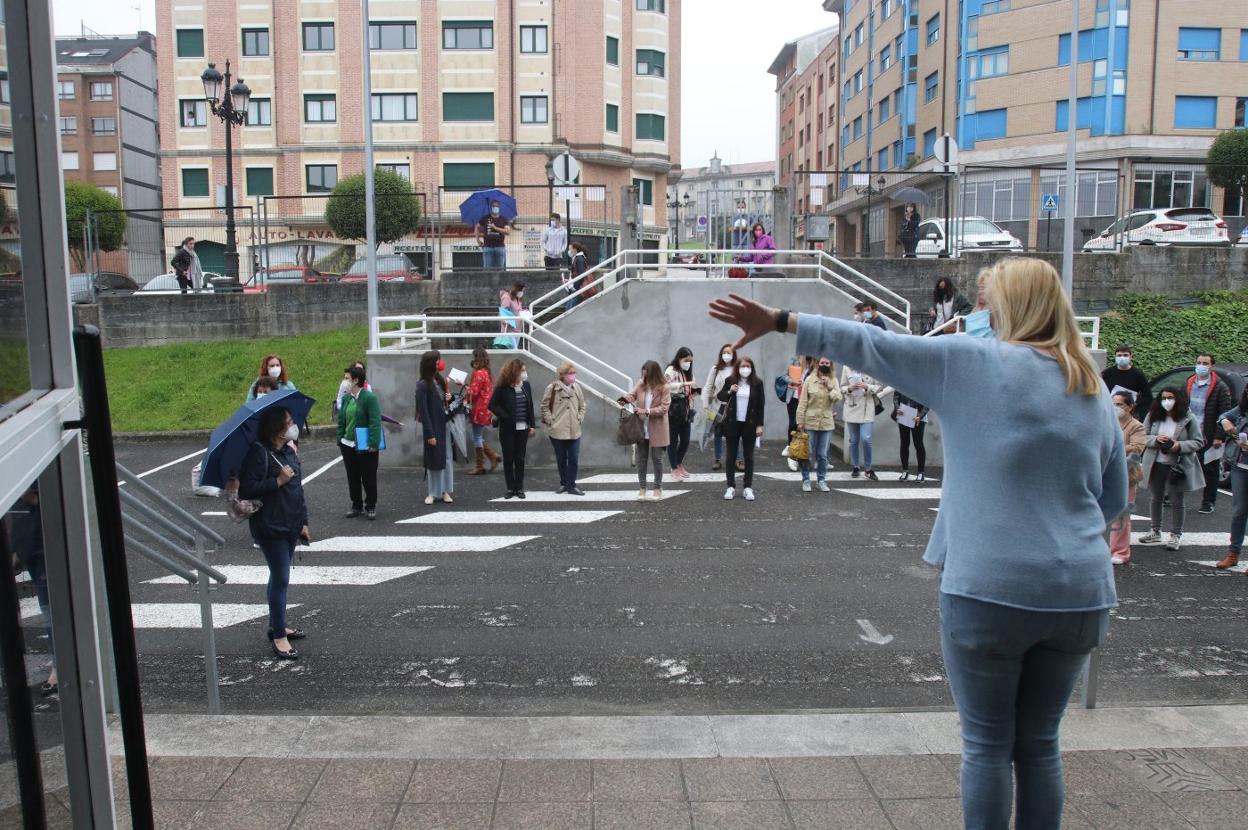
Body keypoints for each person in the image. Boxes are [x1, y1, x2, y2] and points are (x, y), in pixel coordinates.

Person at [709, 256, 1128, 830]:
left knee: (987, 744)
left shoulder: (972, 363)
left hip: (990, 589)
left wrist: (781, 320)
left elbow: (875, 346)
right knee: (1039, 744)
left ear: (1009, 309)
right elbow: (1112, 497)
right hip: (1080, 593)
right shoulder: (1090, 384)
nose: (982, 316)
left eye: (988, 305)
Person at [238, 406, 310, 660]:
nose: (293, 426)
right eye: (288, 422)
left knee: (278, 576)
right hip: (270, 526)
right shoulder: (259, 453)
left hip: (290, 522)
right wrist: (277, 481)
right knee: (281, 578)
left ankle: (276, 625)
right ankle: (279, 635)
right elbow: (247, 489)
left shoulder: (288, 451)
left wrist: (303, 521)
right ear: (277, 428)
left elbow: (298, 488)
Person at [1139, 387, 1205, 551]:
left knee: (1177, 501)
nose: (1166, 401)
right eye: (1163, 398)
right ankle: (1155, 530)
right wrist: (1155, 439)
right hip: (1155, 463)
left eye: (1170, 397)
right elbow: (1142, 436)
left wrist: (1178, 445)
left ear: (1178, 399)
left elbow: (1198, 442)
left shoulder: (1188, 418)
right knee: (1156, 497)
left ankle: (1176, 534)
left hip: (1178, 465)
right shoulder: (1153, 416)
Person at [7, 484, 57, 694]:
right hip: (32, 539)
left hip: (40, 541)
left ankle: (60, 665)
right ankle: (60, 660)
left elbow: (29, 495)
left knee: (50, 607)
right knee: (50, 606)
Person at [336, 365, 382, 520]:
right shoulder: (346, 398)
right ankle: (356, 505)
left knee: (368, 477)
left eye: (347, 379)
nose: (344, 382)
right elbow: (341, 420)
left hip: (365, 445)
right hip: (347, 444)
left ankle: (371, 505)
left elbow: (375, 422)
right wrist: (340, 439)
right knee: (352, 477)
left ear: (356, 380)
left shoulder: (369, 398)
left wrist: (373, 443)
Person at [1187, 354, 1231, 515]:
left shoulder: (1220, 387)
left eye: (1205, 363)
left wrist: (1220, 436)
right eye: (1198, 362)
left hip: (1209, 434)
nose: (1201, 366)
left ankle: (1208, 502)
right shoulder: (1190, 382)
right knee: (1181, 464)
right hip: (1189, 432)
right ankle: (1173, 495)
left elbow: (1225, 413)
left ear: (1211, 366)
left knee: (1210, 469)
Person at [718, 355, 765, 501]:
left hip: (750, 423)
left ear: (752, 368)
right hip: (733, 423)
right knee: (731, 456)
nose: (745, 369)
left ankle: (747, 487)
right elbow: (720, 396)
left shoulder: (757, 383)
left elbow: (761, 405)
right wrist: (730, 391)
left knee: (748, 457)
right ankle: (730, 486)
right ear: (737, 368)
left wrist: (760, 425)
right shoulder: (730, 381)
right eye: (742, 366)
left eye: (748, 366)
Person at [488, 359, 536, 498]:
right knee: (508, 458)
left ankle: (519, 488)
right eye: (522, 370)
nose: (524, 373)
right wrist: (505, 416)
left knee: (520, 458)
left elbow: (530, 406)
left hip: (523, 428)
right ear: (515, 372)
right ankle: (510, 488)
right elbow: (492, 405)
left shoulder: (526, 385)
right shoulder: (502, 387)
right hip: (507, 429)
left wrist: (532, 425)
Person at [1109, 391, 1147, 565]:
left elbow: (1138, 447)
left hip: (1127, 472)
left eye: (1119, 404)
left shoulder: (1136, 426)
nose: (1115, 407)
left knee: (1122, 513)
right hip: (1106, 470)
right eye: (1113, 404)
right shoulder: (1107, 421)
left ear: (1130, 407)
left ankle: (1120, 551)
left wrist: (1114, 448)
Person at [626, 360, 672, 501]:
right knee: (642, 459)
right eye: (643, 374)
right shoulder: (641, 383)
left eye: (646, 375)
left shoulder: (664, 387)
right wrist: (625, 399)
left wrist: (646, 411)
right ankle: (642, 488)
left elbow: (664, 408)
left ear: (654, 374)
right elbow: (632, 395)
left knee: (657, 459)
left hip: (658, 427)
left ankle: (657, 488)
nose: (644, 377)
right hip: (642, 427)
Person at [795, 356, 842, 492]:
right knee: (807, 453)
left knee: (822, 454)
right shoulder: (810, 380)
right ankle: (806, 480)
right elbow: (803, 402)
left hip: (826, 423)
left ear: (830, 365)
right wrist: (799, 421)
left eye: (827, 363)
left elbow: (838, 398)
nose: (824, 364)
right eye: (822, 362)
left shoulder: (834, 380)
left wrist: (829, 386)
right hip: (810, 422)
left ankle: (821, 480)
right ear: (817, 364)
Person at [541, 361, 587, 495]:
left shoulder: (577, 387)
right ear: (562, 375)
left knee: (573, 458)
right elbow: (544, 406)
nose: (573, 375)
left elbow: (583, 405)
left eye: (574, 372)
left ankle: (571, 485)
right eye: (570, 373)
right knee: (561, 459)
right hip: (557, 430)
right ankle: (563, 483)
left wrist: (580, 417)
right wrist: (550, 420)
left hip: (574, 430)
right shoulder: (552, 388)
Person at [416, 350, 454, 506]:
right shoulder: (423, 385)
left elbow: (444, 403)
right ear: (430, 363)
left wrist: (448, 398)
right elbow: (423, 411)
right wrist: (429, 433)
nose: (439, 363)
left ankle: (445, 491)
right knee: (433, 460)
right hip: (433, 427)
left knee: (447, 458)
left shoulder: (439, 380)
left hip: (444, 424)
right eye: (437, 361)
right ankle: (433, 492)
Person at [1215, 390, 1248, 571]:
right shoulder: (1242, 409)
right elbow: (1223, 416)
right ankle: (1233, 553)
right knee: (1238, 512)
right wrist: (1225, 422)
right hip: (1240, 465)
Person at [841, 362, 882, 480]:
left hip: (867, 408)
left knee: (866, 439)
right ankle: (855, 466)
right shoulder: (847, 366)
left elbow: (879, 386)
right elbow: (842, 387)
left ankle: (868, 469)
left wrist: (867, 386)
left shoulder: (872, 365)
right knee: (854, 440)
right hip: (852, 406)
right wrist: (848, 388)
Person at [702, 345, 739, 472]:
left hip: (734, 406)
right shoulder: (716, 369)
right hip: (718, 405)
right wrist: (706, 405)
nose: (726, 355)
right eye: (724, 352)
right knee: (717, 432)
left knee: (735, 433)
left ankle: (738, 459)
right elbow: (708, 386)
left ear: (734, 354)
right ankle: (717, 459)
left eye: (729, 353)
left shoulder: (737, 368)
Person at [465, 348, 501, 475]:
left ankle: (480, 466)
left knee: (476, 436)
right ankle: (493, 456)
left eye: (474, 357)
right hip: (485, 408)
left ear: (477, 359)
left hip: (479, 408)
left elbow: (473, 392)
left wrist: (463, 385)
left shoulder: (479, 373)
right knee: (478, 436)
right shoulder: (486, 372)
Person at [664, 347, 698, 481]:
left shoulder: (689, 373)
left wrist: (694, 392)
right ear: (679, 358)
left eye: (690, 361)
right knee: (672, 441)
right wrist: (683, 384)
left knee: (685, 440)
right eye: (686, 360)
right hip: (673, 411)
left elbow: (692, 389)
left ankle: (678, 463)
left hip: (686, 411)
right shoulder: (671, 370)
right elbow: (664, 386)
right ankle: (674, 468)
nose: (688, 363)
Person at [1100, 345, 1152, 420]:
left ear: (1131, 357)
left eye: (1125, 355)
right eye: (1119, 355)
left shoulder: (1138, 374)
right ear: (1115, 357)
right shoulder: (1107, 373)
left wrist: (1135, 404)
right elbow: (1100, 391)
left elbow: (1147, 396)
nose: (1122, 357)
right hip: (1111, 412)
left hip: (1130, 413)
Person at [893, 390, 929, 482]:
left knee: (918, 443)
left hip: (918, 416)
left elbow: (927, 400)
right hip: (904, 414)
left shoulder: (923, 384)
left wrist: (920, 415)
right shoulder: (902, 381)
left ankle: (921, 472)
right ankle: (905, 471)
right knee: (904, 443)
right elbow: (896, 396)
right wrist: (898, 408)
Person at [477, 199, 512, 269]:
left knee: (500, 269)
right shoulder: (485, 218)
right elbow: (477, 227)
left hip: (500, 247)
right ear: (491, 207)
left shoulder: (503, 219)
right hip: (487, 247)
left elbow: (508, 232)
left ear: (499, 207)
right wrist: (477, 239)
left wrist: (495, 228)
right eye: (493, 206)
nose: (495, 208)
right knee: (487, 269)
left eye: (497, 206)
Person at [496, 281, 526, 348]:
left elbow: (516, 310)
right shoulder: (507, 297)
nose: (522, 292)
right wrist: (506, 321)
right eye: (521, 290)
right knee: (513, 350)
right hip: (510, 329)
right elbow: (502, 312)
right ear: (516, 289)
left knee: (514, 349)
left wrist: (523, 311)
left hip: (518, 329)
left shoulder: (517, 298)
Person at [565, 242, 593, 308]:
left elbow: (581, 274)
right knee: (569, 307)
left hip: (578, 289)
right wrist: (569, 281)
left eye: (570, 249)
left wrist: (575, 287)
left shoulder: (579, 259)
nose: (569, 251)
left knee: (570, 309)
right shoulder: (577, 258)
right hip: (576, 288)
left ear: (575, 249)